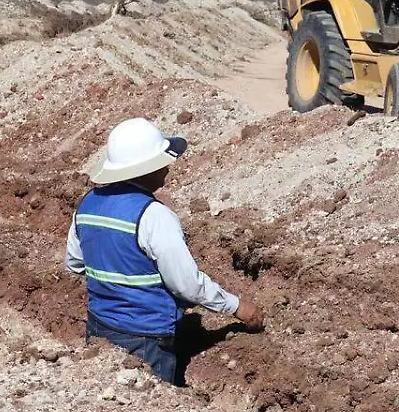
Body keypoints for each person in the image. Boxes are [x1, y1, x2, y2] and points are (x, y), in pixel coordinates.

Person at [65, 117, 263, 384]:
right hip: (145, 340)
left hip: (99, 327)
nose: (168, 168)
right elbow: (187, 285)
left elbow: (76, 263)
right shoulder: (153, 216)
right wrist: (237, 307)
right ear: (144, 170)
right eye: (161, 162)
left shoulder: (87, 204)